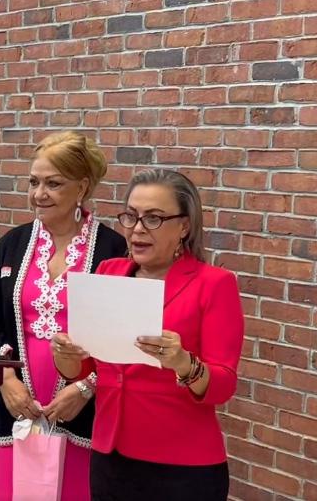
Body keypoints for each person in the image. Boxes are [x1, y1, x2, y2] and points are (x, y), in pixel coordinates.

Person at [52, 169, 244, 501]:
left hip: (182, 466)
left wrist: (184, 364)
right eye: (131, 216)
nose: (138, 229)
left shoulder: (214, 284)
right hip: (111, 456)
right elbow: (84, 369)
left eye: (153, 218)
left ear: (184, 226)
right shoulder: (109, 272)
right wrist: (65, 355)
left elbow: (223, 385)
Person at [0, 131, 127, 501]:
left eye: (53, 184)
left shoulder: (113, 249)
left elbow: (122, 335)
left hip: (82, 406)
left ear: (82, 187)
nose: (39, 194)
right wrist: (5, 378)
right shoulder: (12, 243)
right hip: (16, 401)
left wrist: (87, 387)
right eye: (34, 182)